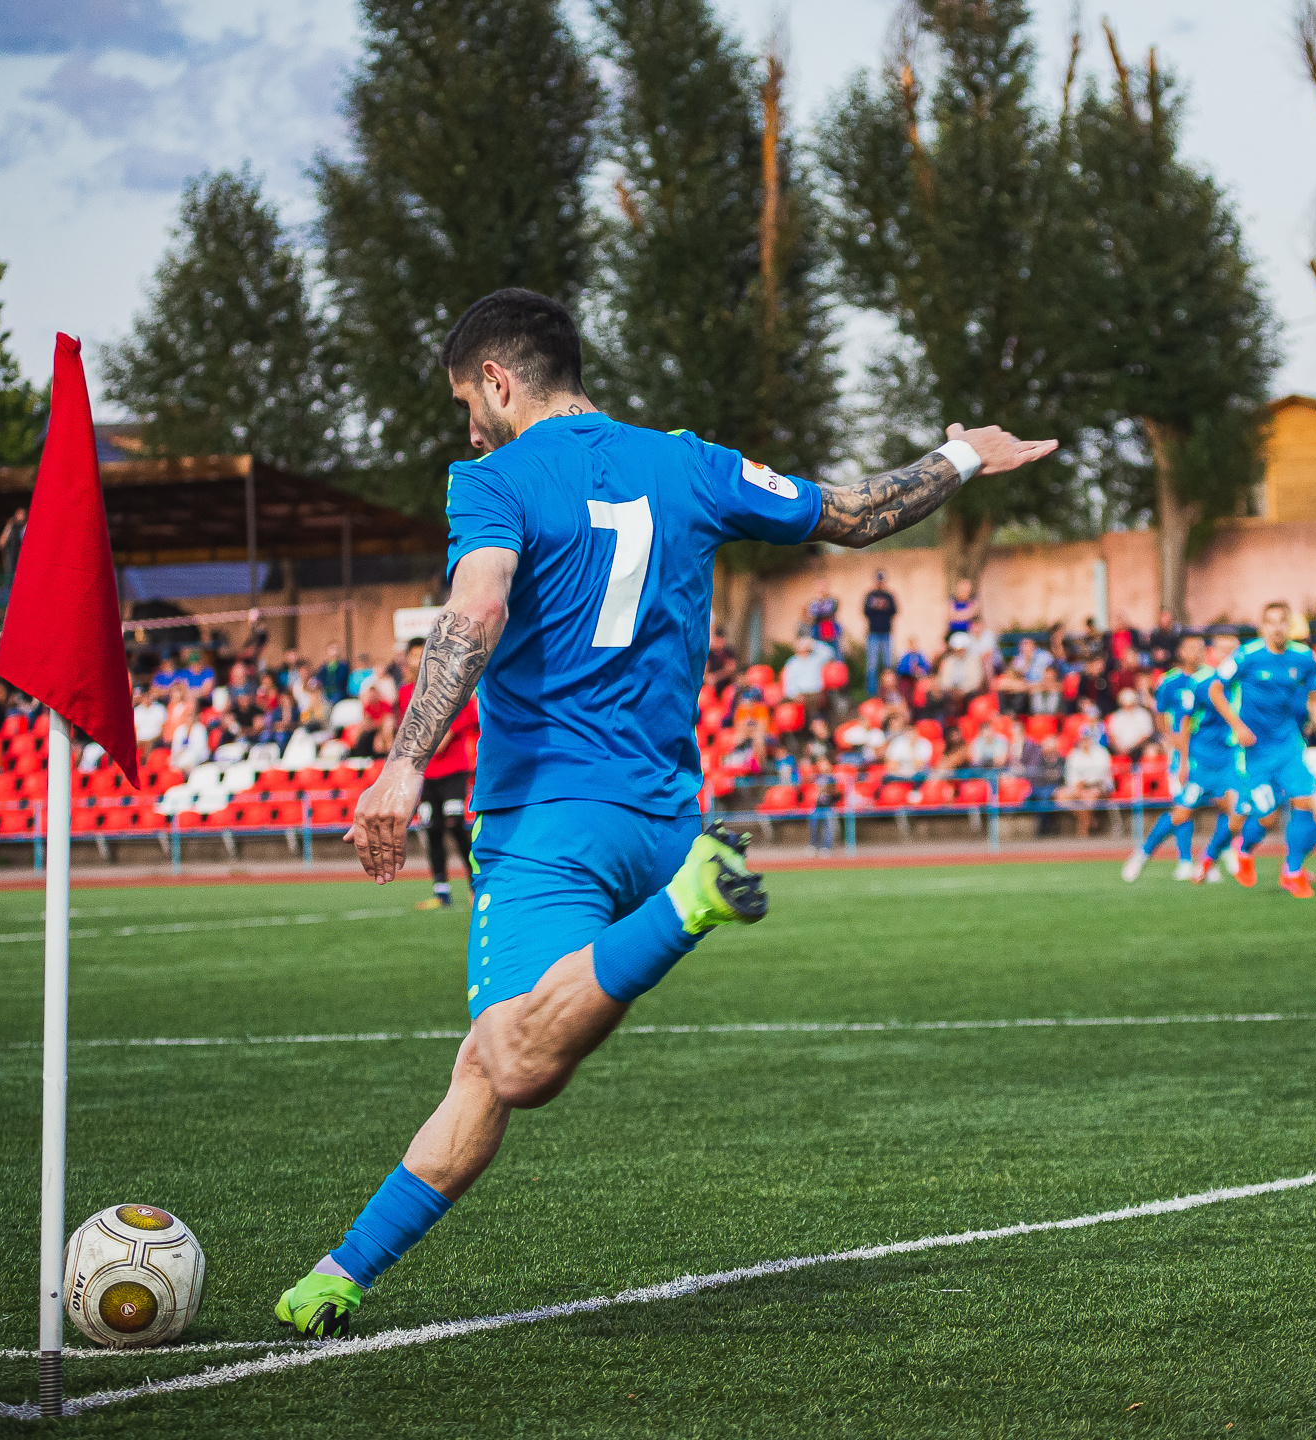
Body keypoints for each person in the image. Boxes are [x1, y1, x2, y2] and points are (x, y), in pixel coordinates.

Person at [273, 287, 1057, 1339]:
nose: (467, 425)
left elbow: (478, 606)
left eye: (468, 399)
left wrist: (404, 762)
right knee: (484, 1065)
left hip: (554, 820)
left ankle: (693, 903)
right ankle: (339, 1274)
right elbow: (853, 514)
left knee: (514, 1059)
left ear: (500, 382)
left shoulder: (492, 480)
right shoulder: (691, 461)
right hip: (661, 811)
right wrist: (962, 459)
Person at [1202, 602, 1316, 898]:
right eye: (1271, 622)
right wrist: (1237, 726)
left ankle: (1292, 871)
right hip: (1255, 751)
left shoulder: (1303, 657)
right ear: (1262, 626)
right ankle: (1245, 849)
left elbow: (1315, 698)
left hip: (1289, 745)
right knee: (1267, 817)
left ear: (1289, 625)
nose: (1277, 627)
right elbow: (1215, 689)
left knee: (1304, 802)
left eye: (1282, 621)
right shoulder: (1247, 656)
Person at [398, 636, 483, 910]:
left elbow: (469, 717)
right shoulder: (406, 692)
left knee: (455, 825)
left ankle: (475, 886)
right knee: (431, 829)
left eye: (423, 653)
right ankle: (441, 891)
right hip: (425, 773)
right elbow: (406, 729)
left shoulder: (452, 685)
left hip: (452, 770)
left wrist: (444, 732)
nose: (418, 658)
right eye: (413, 654)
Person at [1125, 631, 1214, 881]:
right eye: (1193, 648)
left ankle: (1213, 858)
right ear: (1182, 652)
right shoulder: (1170, 682)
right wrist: (1174, 741)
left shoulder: (1212, 679)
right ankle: (1182, 859)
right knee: (1183, 806)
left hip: (1214, 752)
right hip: (1183, 753)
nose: (1198, 652)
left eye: (1201, 648)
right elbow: (1161, 716)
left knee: (1227, 804)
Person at [1059, 729, 1115, 836]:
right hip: (1077, 787)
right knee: (1061, 796)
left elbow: (1101, 773)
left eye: (1087, 739)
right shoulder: (1074, 754)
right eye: (1083, 739)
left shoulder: (1101, 752)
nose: (1085, 742)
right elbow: (1069, 773)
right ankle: (1090, 821)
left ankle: (1082, 829)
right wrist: (1077, 784)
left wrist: (1085, 782)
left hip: (1097, 786)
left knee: (1089, 797)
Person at [861, 571, 898, 681]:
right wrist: (877, 606)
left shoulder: (889, 596)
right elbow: (865, 611)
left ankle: (888, 690)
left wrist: (885, 605)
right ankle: (871, 692)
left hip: (886, 633)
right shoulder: (870, 595)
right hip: (873, 633)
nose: (880, 583)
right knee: (872, 665)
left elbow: (894, 610)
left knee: (888, 664)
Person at [0, 507, 27, 587]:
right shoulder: (11, 528)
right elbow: (1, 544)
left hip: (24, 561)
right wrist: (8, 526)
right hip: (12, 560)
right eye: (18, 514)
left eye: (22, 514)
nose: (20, 516)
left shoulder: (27, 527)